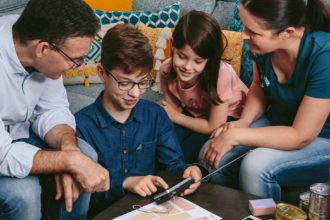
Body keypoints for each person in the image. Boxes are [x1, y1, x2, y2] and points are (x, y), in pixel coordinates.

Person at [201, 0, 330, 201]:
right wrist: (242, 124)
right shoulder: (261, 47)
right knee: (210, 154)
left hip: (321, 138)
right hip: (280, 122)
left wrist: (236, 136)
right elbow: (259, 87)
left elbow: (300, 135)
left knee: (255, 166)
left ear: (286, 32)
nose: (244, 35)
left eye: (252, 31)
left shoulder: (324, 55)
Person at [75, 23, 202, 216]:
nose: (135, 93)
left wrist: (190, 170)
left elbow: (173, 166)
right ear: (102, 73)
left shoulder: (156, 116)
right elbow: (81, 193)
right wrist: (125, 183)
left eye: (143, 82)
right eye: (124, 83)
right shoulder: (80, 126)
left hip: (151, 212)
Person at [0, 0, 110, 219]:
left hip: (16, 134)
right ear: (43, 49)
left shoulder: (34, 38)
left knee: (85, 154)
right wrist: (69, 161)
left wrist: (69, 151)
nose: (76, 67)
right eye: (75, 60)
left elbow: (53, 108)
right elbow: (3, 155)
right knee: (25, 193)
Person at [160, 10, 248, 164]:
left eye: (198, 61)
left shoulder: (221, 75)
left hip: (228, 117)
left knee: (185, 155)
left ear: (209, 59)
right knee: (163, 147)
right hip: (196, 113)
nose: (188, 66)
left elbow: (212, 125)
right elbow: (171, 111)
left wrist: (176, 117)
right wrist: (173, 118)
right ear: (173, 46)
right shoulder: (166, 70)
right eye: (182, 56)